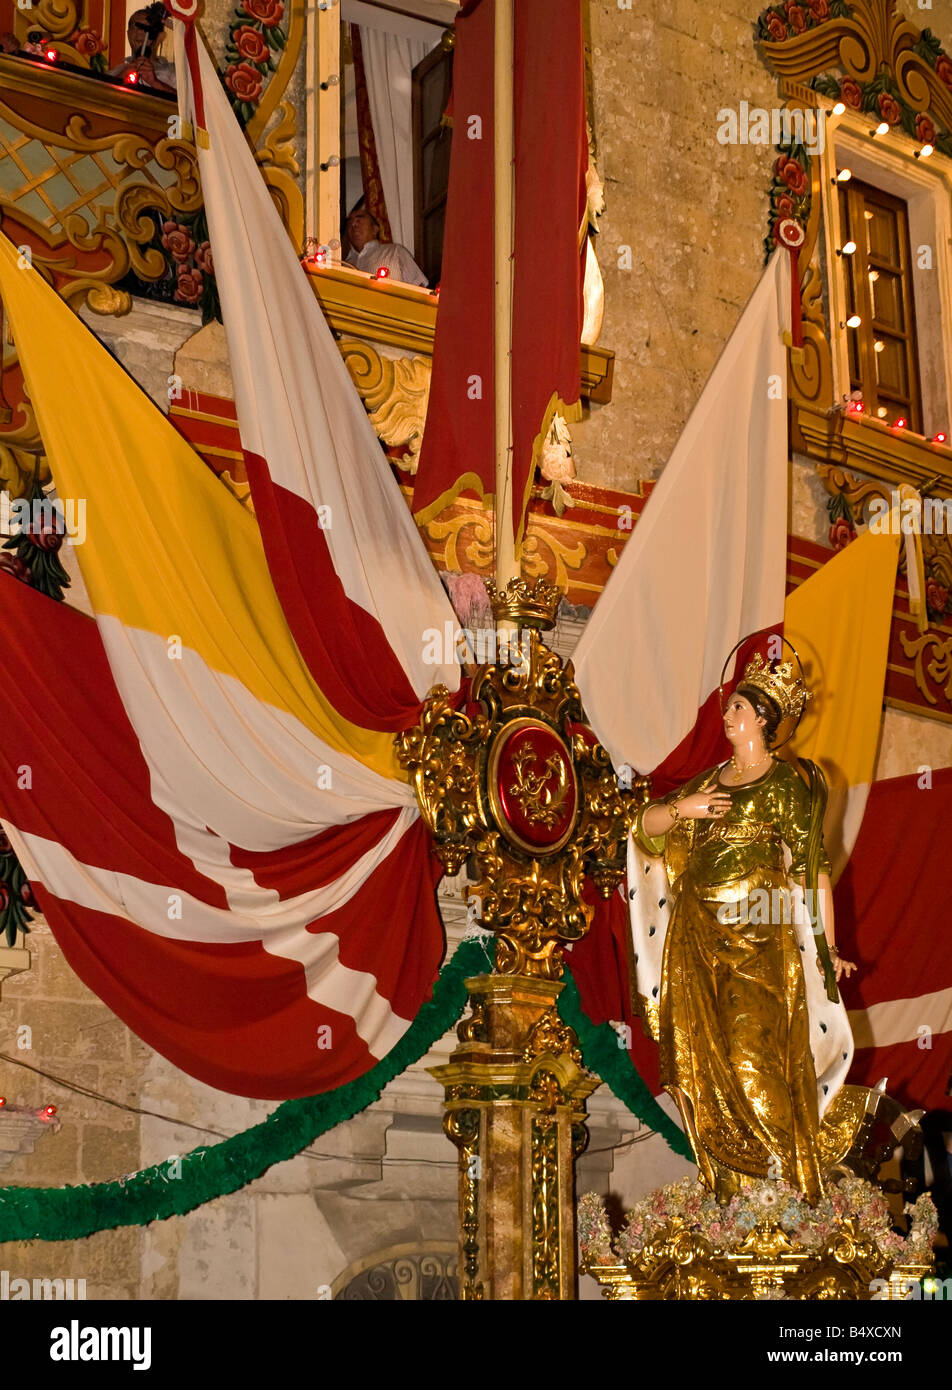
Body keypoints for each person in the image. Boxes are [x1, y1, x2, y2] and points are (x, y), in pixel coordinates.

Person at [634, 653, 860, 1204]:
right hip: (695, 935)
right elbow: (643, 829)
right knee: (701, 1068)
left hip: (759, 936)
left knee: (752, 1059)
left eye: (738, 707)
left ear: (763, 718)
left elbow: (814, 868)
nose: (728, 715)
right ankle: (731, 1196)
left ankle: (792, 1196)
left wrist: (828, 946)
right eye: (730, 706)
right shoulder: (706, 782)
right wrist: (682, 808)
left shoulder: (787, 783)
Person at [344, 204, 427, 288]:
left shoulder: (395, 252)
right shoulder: (344, 266)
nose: (353, 224)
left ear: (375, 229)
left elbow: (420, 287)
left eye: (359, 218)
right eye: (349, 221)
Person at [108, 3, 176, 95]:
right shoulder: (115, 72)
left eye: (146, 28)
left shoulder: (174, 73)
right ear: (128, 35)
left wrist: (155, 83)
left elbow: (187, 105)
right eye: (135, 27)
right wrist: (120, 77)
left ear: (160, 37)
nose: (140, 32)